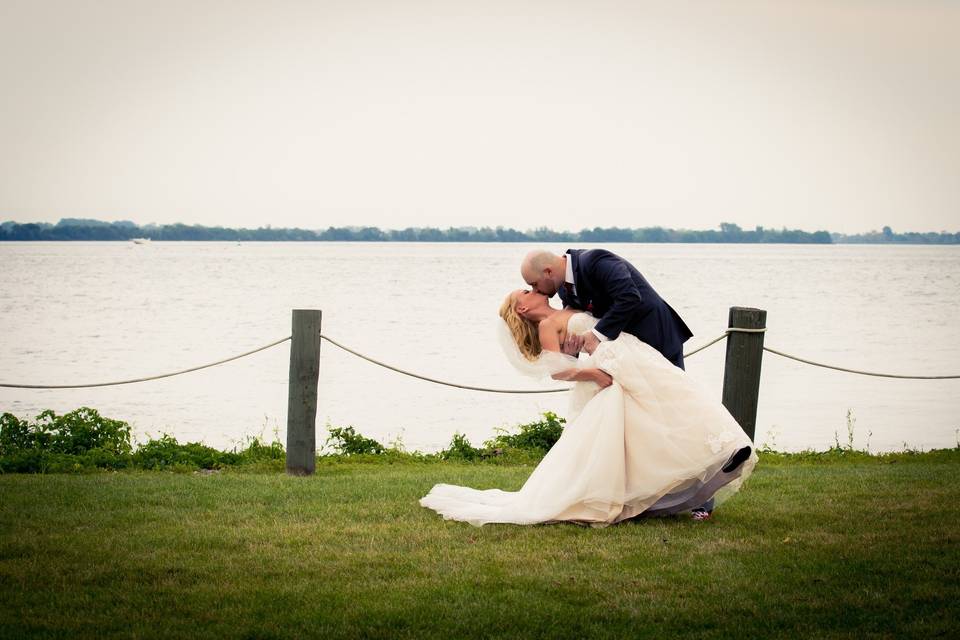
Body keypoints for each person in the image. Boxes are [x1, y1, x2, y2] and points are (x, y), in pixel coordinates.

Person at [418, 289, 756, 527]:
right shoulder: (550, 325)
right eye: (526, 291)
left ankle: (724, 447)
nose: (533, 289)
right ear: (522, 308)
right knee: (654, 417)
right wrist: (592, 372)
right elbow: (557, 369)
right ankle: (709, 456)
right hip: (612, 368)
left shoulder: (568, 303)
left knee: (678, 396)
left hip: (631, 355)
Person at [520, 249, 692, 369]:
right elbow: (581, 322)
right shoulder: (563, 291)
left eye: (534, 284)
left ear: (548, 272)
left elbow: (629, 297)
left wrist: (595, 335)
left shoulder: (595, 260)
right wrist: (572, 354)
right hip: (625, 352)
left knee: (673, 404)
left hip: (656, 335)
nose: (537, 291)